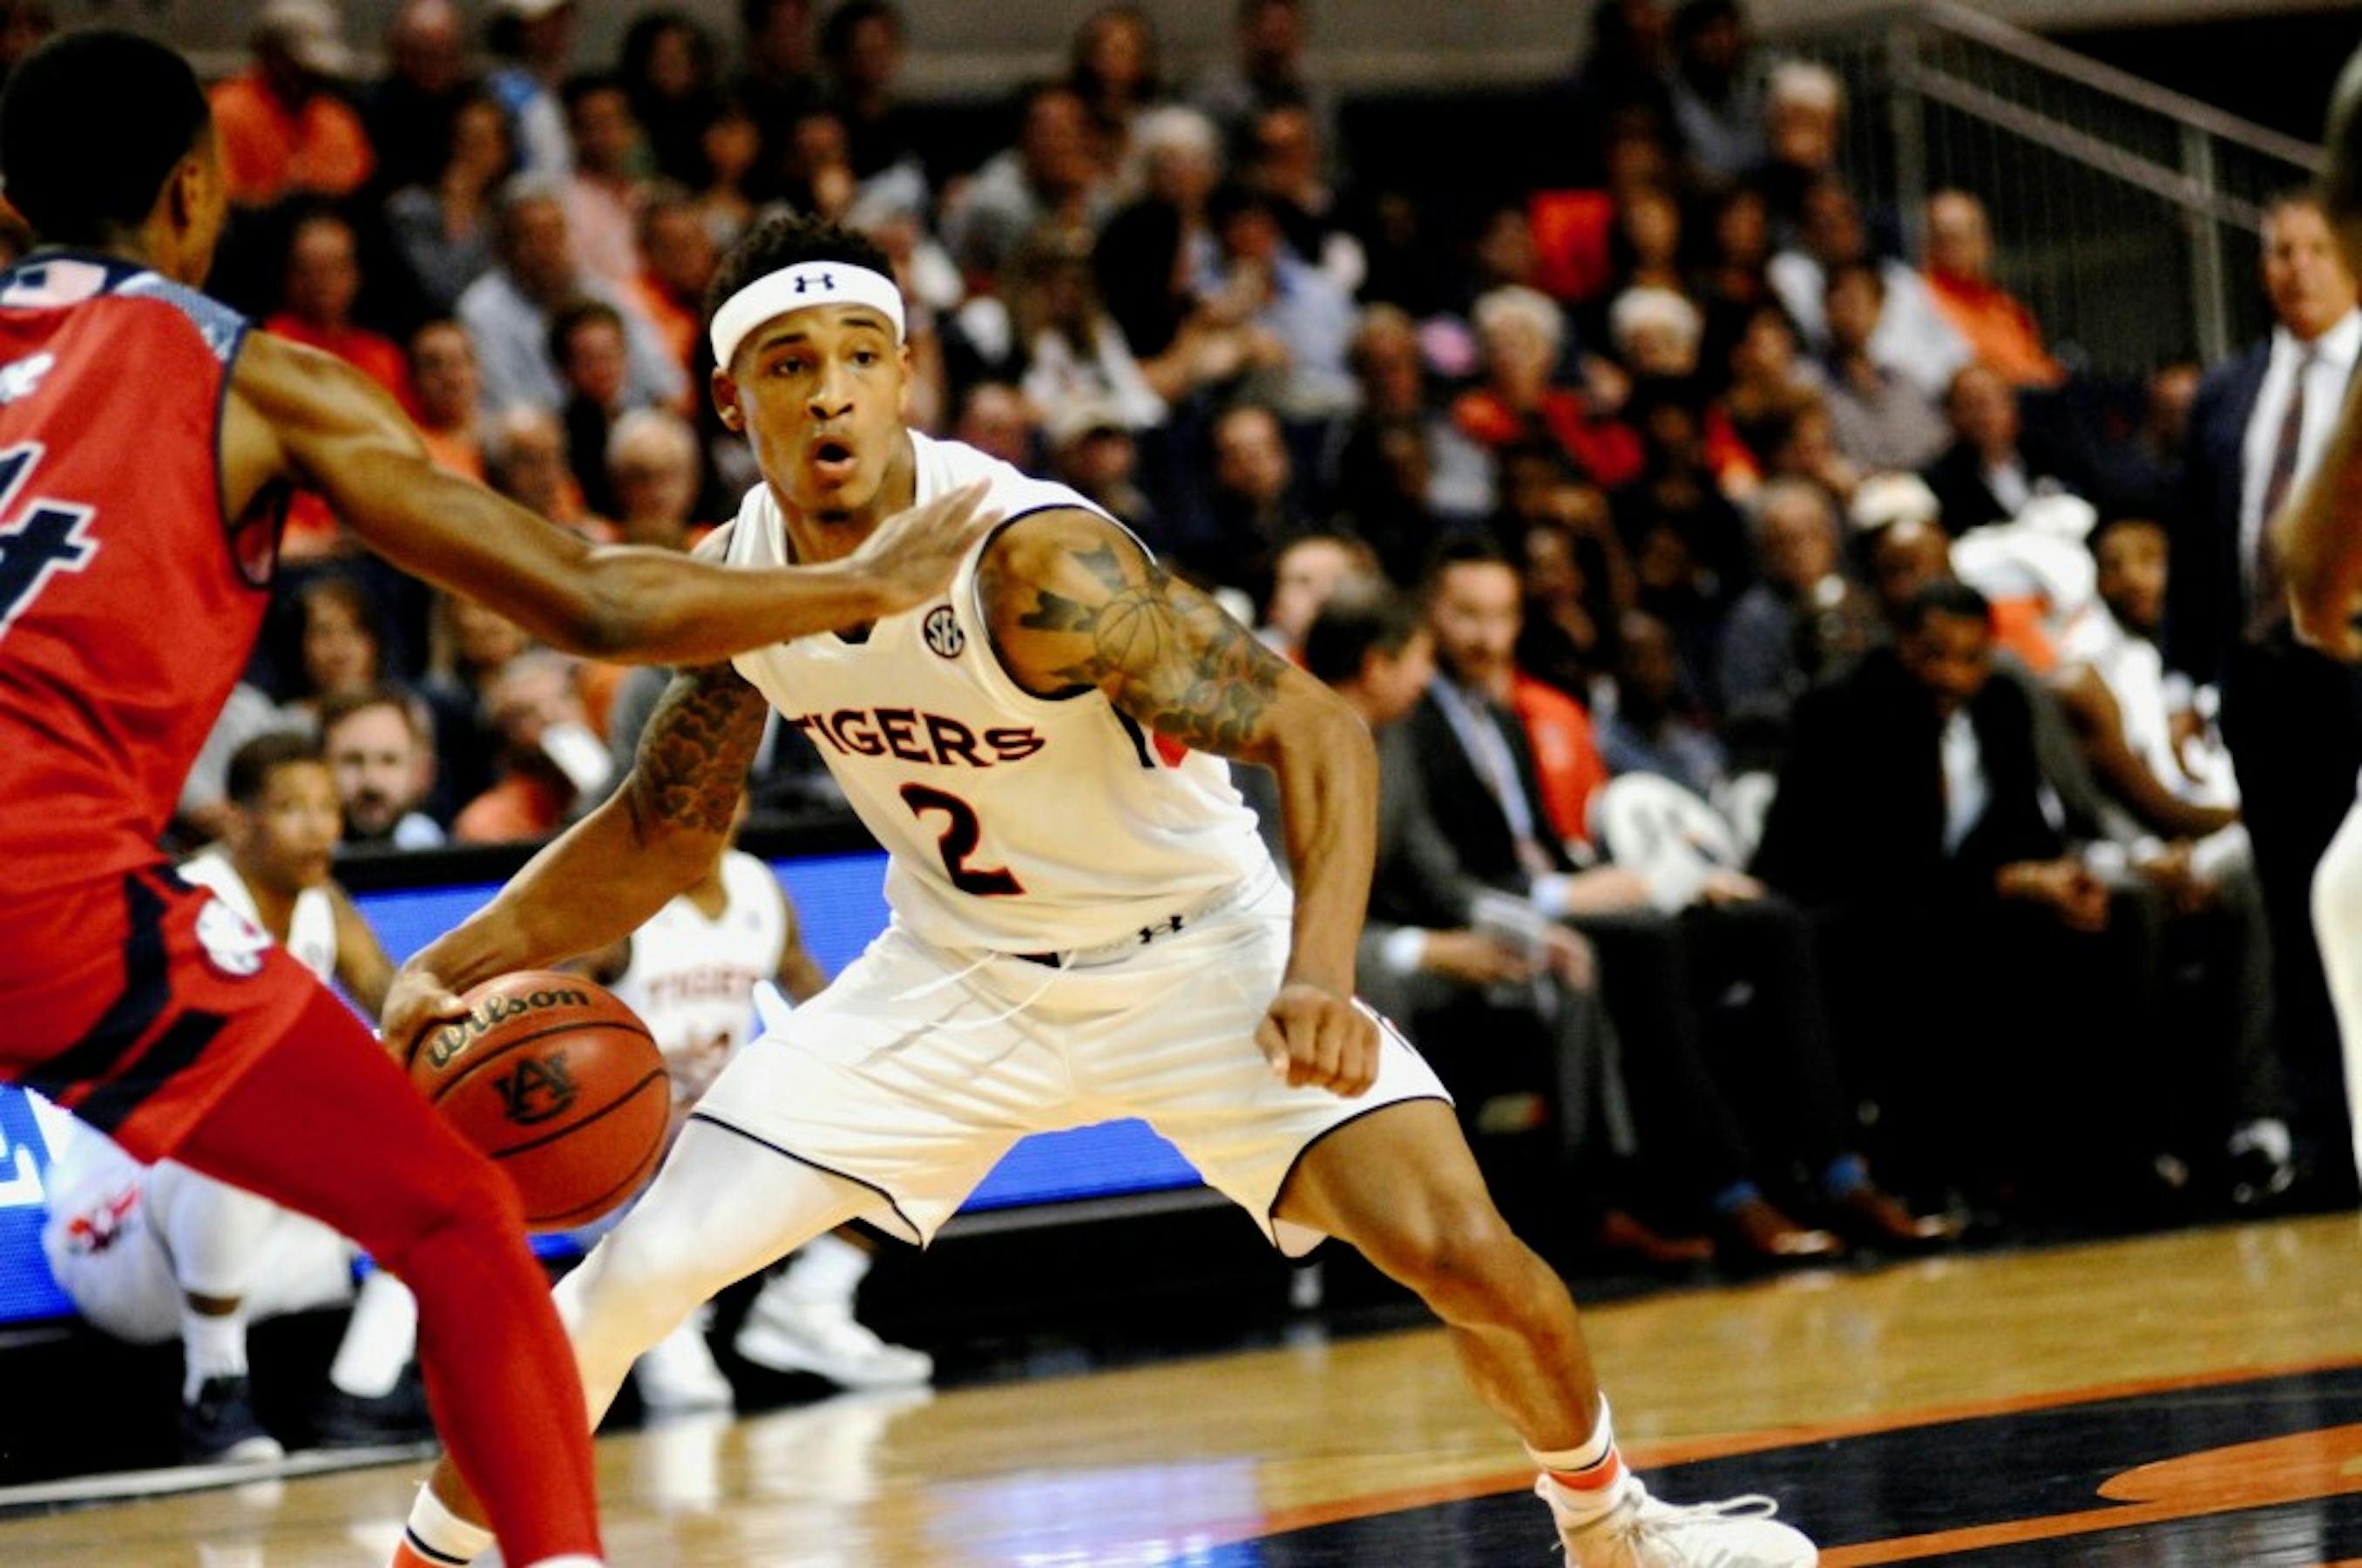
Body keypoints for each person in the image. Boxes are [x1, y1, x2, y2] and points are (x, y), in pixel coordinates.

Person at [379, 211, 1817, 1568]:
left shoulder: (1032, 561)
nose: (830, 396)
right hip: (954, 978)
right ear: (726, 400)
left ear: (905, 375)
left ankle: (1612, 1526)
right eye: (789, 365)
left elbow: (1315, 729)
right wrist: (465, 954)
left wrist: (1320, 975)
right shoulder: (738, 575)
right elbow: (662, 829)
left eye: (861, 358)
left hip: (1201, 956)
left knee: (1462, 1252)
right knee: (625, 1281)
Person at [0, 32, 995, 1568]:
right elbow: (589, 598)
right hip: (48, 890)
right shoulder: (246, 373)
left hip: (60, 885)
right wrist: (855, 584)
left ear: (10, 199)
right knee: (457, 1220)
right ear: (197, 191)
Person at [43, 733, 419, 1462]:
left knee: (445, 1144)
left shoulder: (323, 904)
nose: (318, 828)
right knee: (236, 1117)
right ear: (237, 819)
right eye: (291, 808)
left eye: (327, 808)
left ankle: (363, 1392)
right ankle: (213, 1390)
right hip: (121, 1234)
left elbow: (396, 1002)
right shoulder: (186, 903)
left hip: (253, 1249)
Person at [591, 814, 931, 1409]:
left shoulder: (757, 886)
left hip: (723, 1112)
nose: (710, 807)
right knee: (669, 1142)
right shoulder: (617, 899)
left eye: (725, 788)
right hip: (624, 1127)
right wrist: (631, 1095)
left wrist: (880, 1065)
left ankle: (808, 1303)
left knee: (910, 1119)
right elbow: (557, 1032)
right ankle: (660, 1320)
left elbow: (810, 991)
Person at [2176, 188, 2362, 1193]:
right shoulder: (2227, 389)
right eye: (2277, 251)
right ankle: (2322, 1144)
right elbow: (2193, 543)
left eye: (2311, 248)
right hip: (2264, 684)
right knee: (2292, 915)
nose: (2293, 267)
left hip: (2354, 666)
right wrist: (2180, 672)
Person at [321, 686, 446, 849]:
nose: (371, 781)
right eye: (353, 761)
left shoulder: (434, 845)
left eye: (389, 761)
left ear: (423, 772)